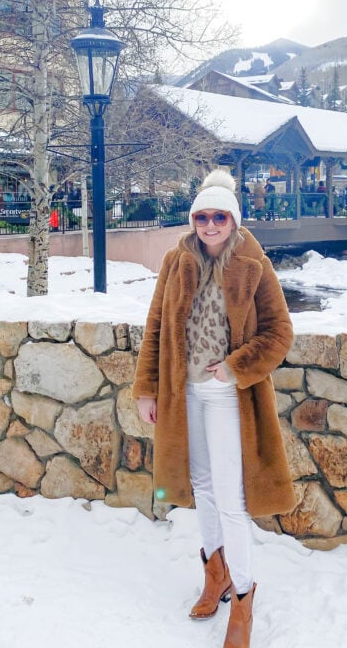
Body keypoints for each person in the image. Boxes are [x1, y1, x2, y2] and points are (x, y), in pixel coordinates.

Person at [133, 169, 296, 648]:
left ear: (232, 219)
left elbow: (279, 333)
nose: (209, 225)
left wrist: (235, 367)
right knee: (202, 487)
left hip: (229, 396)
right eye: (202, 216)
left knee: (231, 497)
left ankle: (243, 599)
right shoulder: (175, 260)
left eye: (218, 216)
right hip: (183, 395)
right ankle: (215, 574)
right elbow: (156, 327)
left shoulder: (254, 263)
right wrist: (147, 389)